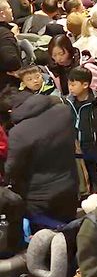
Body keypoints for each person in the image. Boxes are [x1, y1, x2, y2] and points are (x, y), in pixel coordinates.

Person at [5, 89, 81, 225]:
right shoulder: (63, 111)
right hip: (70, 184)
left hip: (39, 196)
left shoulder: (19, 132)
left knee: (44, 235)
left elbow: (12, 168)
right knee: (70, 229)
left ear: (11, 110)